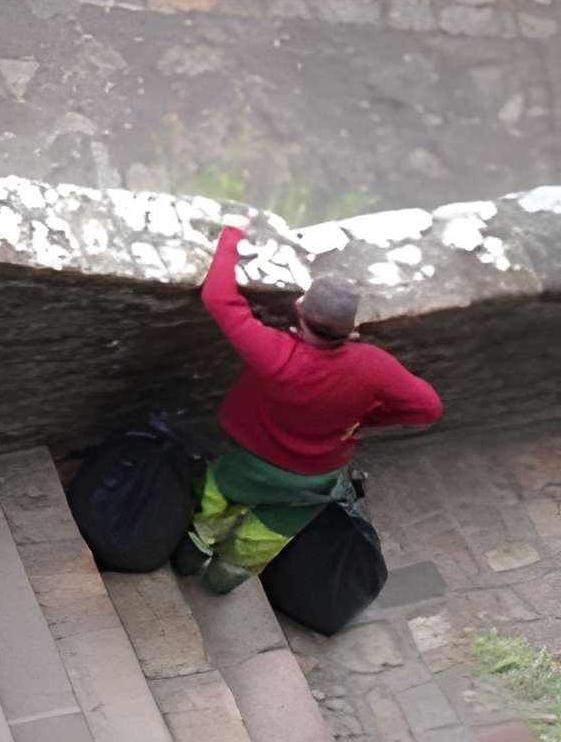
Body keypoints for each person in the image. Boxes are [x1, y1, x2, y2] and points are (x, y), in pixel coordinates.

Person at [182, 219, 442, 592]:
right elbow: (428, 407)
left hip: (254, 463)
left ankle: (191, 556)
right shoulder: (371, 364)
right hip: (316, 477)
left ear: (299, 310)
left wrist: (231, 234)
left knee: (215, 500)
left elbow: (218, 298)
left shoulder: (274, 354)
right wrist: (368, 421)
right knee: (268, 534)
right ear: (349, 328)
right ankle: (224, 580)